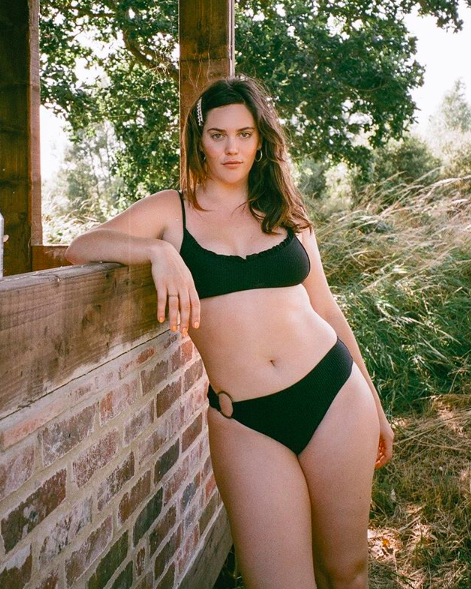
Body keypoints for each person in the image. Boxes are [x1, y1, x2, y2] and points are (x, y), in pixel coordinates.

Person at [66, 75, 394, 589]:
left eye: (244, 134)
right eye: (217, 135)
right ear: (200, 140)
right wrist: (157, 250)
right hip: (246, 421)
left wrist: (375, 405)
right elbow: (81, 246)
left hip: (333, 393)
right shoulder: (171, 210)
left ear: (260, 139)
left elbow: (327, 310)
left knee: (345, 571)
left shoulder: (286, 212)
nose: (231, 148)